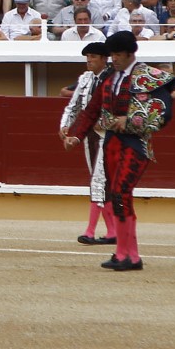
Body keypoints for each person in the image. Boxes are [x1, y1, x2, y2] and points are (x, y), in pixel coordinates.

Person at [66, 31, 175, 272]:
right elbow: (92, 109)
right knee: (116, 194)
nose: (114, 59)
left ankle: (130, 255)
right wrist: (76, 134)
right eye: (112, 55)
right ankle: (125, 255)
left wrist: (128, 121)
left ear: (130, 54)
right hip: (111, 143)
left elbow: (162, 112)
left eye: (118, 54)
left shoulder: (148, 77)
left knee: (120, 192)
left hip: (135, 143)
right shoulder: (109, 79)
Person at [59, 41, 116, 245]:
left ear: (104, 59)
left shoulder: (113, 79)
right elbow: (73, 106)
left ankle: (90, 231)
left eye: (93, 57)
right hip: (89, 137)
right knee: (100, 181)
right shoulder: (85, 79)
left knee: (98, 181)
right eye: (87, 57)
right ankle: (112, 232)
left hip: (109, 136)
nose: (89, 61)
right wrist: (65, 126)